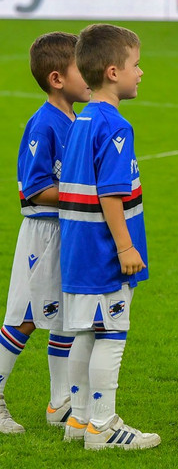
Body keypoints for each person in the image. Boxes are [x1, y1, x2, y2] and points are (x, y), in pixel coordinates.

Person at [58, 24, 160, 450]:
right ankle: (103, 425)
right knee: (112, 334)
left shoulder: (82, 119)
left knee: (86, 332)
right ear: (114, 72)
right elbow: (112, 193)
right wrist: (125, 246)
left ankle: (78, 420)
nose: (142, 73)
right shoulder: (116, 126)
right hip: (104, 249)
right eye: (136, 65)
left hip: (77, 248)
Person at [0, 33, 89, 435]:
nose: (88, 74)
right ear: (57, 78)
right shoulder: (44, 123)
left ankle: (60, 402)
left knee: (68, 318)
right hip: (43, 234)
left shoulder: (75, 119)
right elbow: (34, 186)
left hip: (67, 231)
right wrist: (87, 196)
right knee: (24, 319)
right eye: (80, 68)